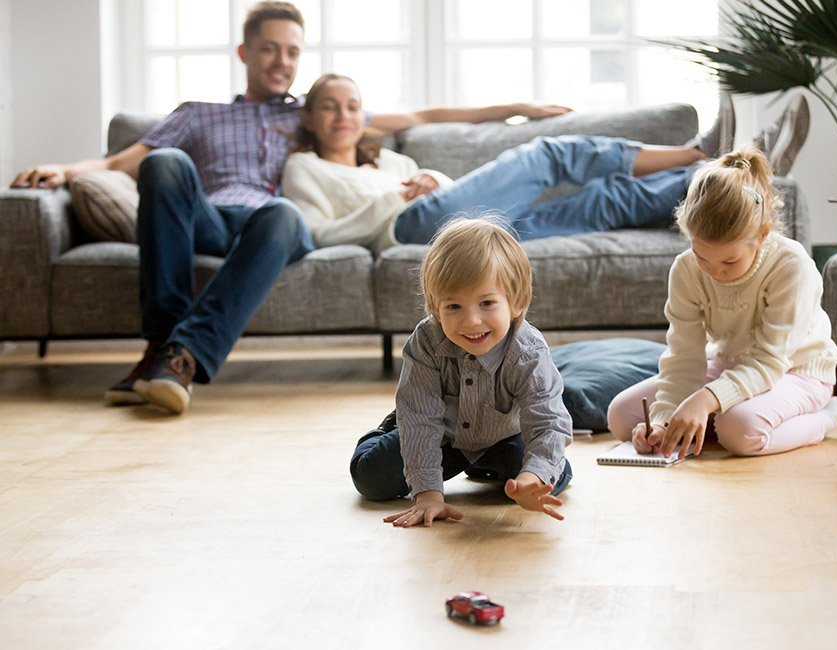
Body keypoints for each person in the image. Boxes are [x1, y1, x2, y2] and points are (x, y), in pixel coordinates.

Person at [10, 3, 569, 415]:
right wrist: (65, 171)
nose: (282, 61)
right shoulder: (197, 112)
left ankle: (178, 358)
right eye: (270, 49)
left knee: (281, 213)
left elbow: (423, 115)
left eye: (293, 51)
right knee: (165, 164)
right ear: (245, 53)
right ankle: (163, 346)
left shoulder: (310, 113)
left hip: (274, 227)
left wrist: (515, 107)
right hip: (210, 218)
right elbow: (125, 159)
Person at [281, 73, 718, 253]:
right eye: (329, 107)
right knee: (546, 155)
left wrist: (432, 179)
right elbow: (316, 235)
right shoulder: (305, 168)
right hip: (409, 231)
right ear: (308, 116)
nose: (343, 117)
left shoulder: (392, 161)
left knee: (599, 203)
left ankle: (710, 178)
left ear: (364, 116)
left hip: (466, 234)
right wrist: (393, 200)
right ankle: (694, 150)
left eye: (352, 106)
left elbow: (458, 200)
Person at [606, 146, 837, 459]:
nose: (715, 273)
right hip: (729, 367)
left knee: (738, 432)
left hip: (796, 371)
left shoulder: (792, 266)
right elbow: (683, 356)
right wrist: (662, 422)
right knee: (621, 417)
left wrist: (705, 400)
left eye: (730, 262)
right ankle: (709, 419)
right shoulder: (685, 269)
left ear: (763, 234)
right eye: (702, 257)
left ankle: (825, 417)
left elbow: (770, 361)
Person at [349, 217, 573, 527]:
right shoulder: (427, 341)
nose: (471, 321)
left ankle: (490, 465)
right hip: (441, 435)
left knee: (551, 477)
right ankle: (390, 426)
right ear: (434, 307)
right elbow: (421, 420)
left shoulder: (528, 351)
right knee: (371, 478)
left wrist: (531, 477)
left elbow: (548, 422)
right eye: (453, 306)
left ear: (517, 302)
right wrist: (427, 493)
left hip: (504, 436)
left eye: (486, 303)